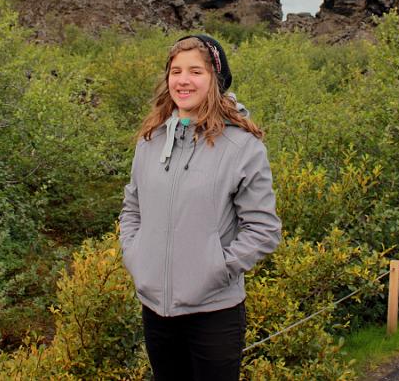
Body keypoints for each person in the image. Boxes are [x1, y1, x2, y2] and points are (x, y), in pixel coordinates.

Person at [119, 34, 281, 381]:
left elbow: (263, 229)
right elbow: (132, 207)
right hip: (155, 310)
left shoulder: (242, 146)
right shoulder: (150, 141)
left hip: (214, 312)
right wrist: (135, 256)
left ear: (215, 81)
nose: (183, 80)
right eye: (176, 71)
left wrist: (216, 270)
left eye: (196, 71)